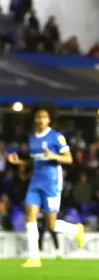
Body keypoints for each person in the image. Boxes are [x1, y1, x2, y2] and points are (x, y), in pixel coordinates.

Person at [7, 101, 84, 267]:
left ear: (49, 120)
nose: (41, 120)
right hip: (36, 181)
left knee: (51, 224)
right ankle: (34, 258)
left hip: (52, 182)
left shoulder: (56, 137)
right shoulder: (32, 138)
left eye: (44, 117)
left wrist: (54, 156)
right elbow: (33, 160)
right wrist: (19, 162)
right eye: (38, 117)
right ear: (35, 119)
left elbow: (69, 158)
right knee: (30, 215)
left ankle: (76, 230)